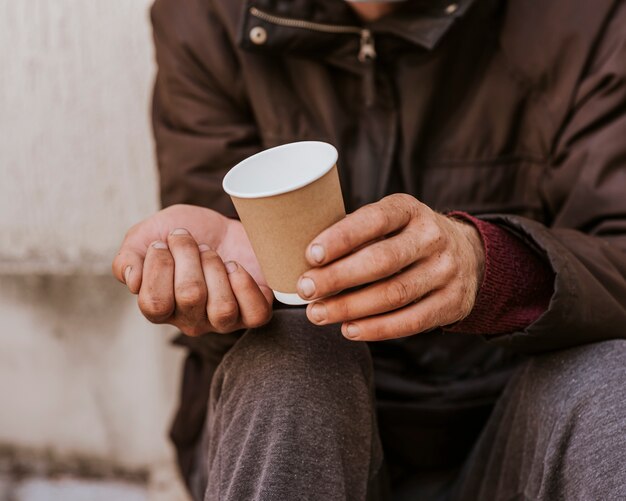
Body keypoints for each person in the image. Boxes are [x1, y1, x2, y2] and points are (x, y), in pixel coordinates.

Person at [112, 0, 626, 499]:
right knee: (286, 368)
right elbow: (224, 322)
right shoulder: (204, 14)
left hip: (513, 418)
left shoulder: (588, 16)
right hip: (306, 430)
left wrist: (490, 266)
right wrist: (213, 290)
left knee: (612, 384)